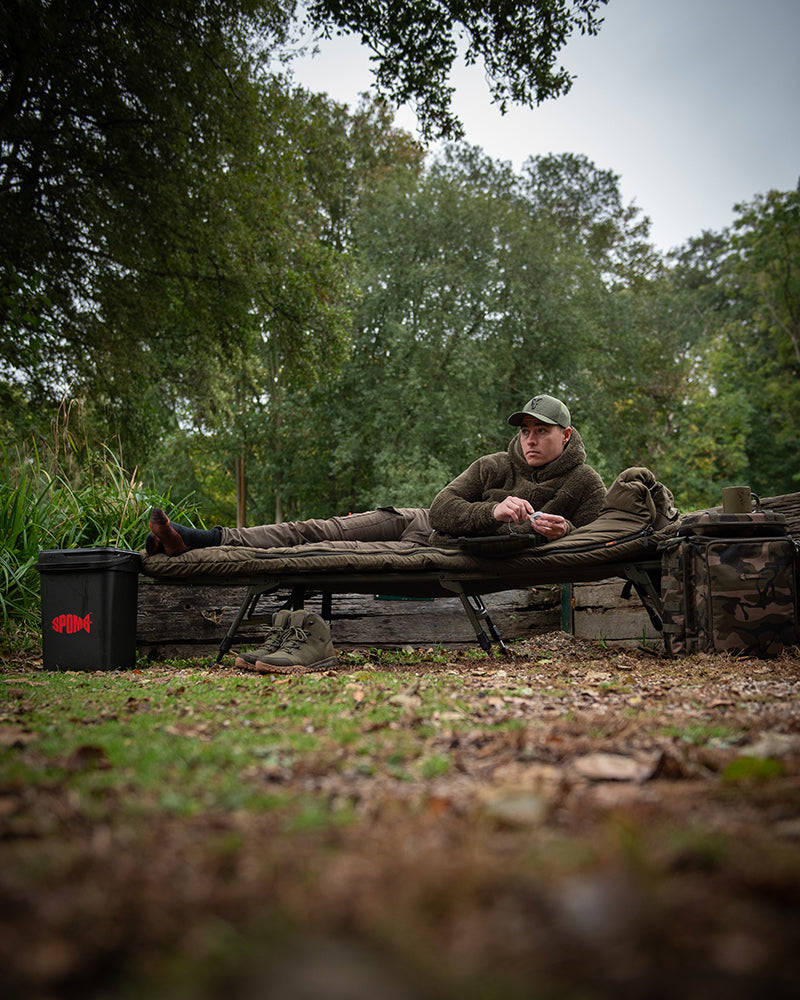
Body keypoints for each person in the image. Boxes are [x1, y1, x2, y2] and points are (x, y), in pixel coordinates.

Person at [146, 394, 606, 672]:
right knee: (314, 528)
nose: (529, 440)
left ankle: (197, 541)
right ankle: (201, 540)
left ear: (565, 435)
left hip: (443, 554)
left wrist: (563, 530)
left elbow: (594, 538)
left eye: (541, 431)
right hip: (418, 524)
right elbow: (443, 508)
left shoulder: (583, 483)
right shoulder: (494, 465)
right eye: (525, 430)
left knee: (326, 547)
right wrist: (494, 510)